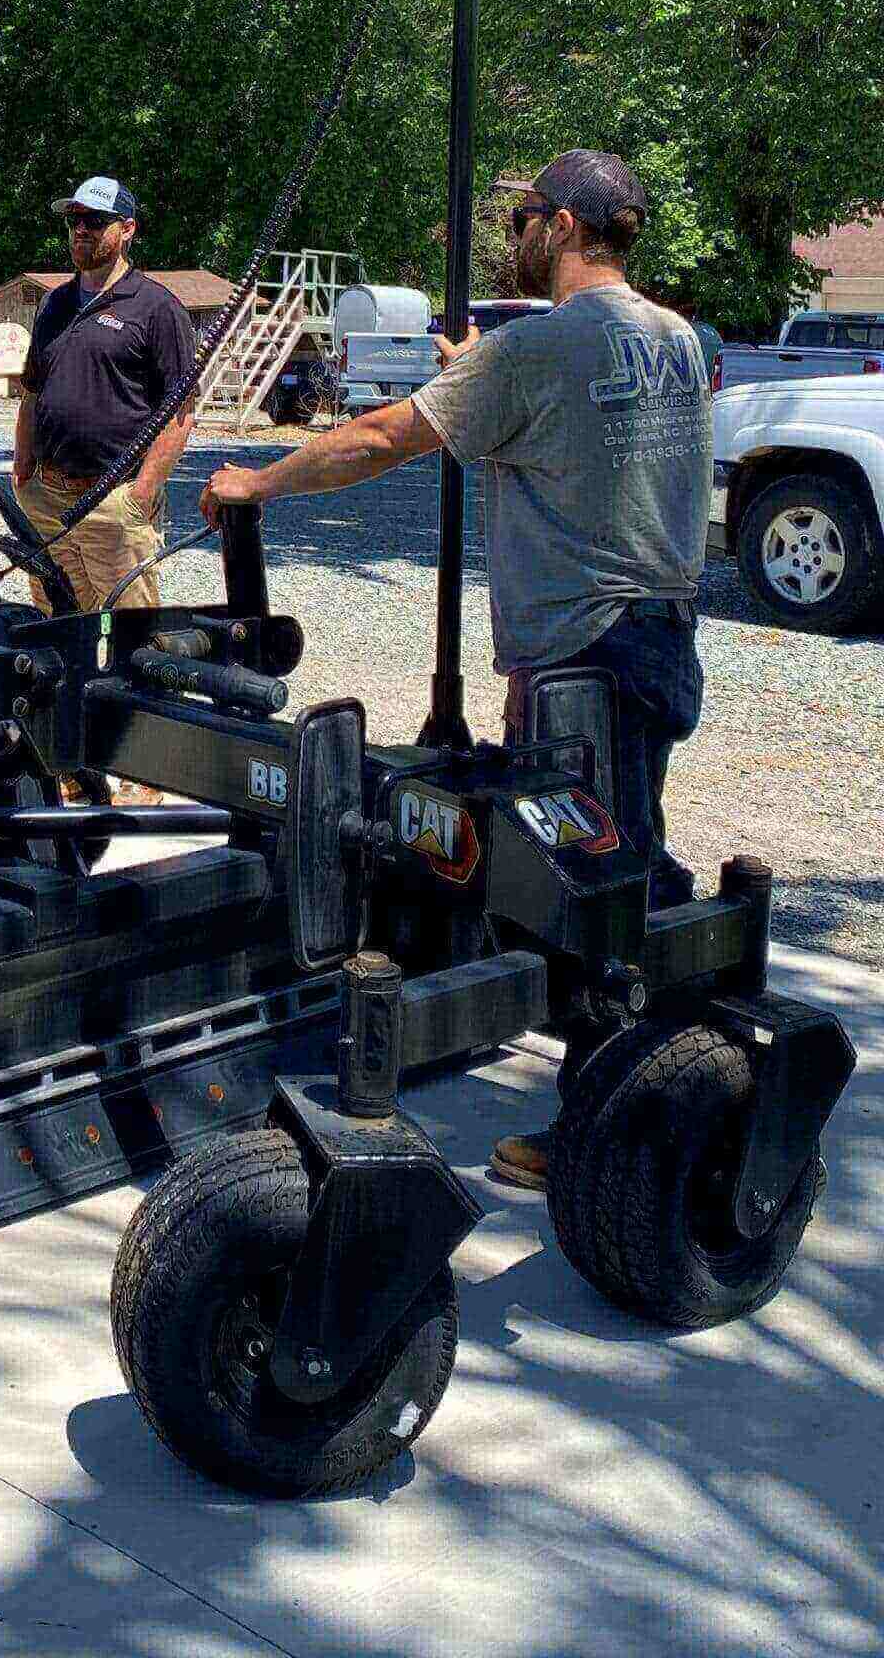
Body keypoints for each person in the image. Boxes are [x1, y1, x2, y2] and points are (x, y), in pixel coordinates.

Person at [200, 150, 712, 1191]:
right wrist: (475, 369)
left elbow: (382, 437)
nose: (515, 232)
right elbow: (576, 436)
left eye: (525, 216)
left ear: (564, 225)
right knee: (634, 856)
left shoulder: (537, 346)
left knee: (592, 890)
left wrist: (262, 479)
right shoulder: (674, 337)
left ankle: (607, 1132)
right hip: (656, 638)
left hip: (584, 656)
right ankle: (662, 1071)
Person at [13, 176, 196, 616]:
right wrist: (23, 470)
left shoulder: (156, 308)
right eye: (75, 220)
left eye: (94, 221)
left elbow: (181, 412)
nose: (81, 230)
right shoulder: (55, 304)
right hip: (47, 498)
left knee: (128, 635)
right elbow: (33, 390)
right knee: (55, 624)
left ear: (127, 229)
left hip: (113, 502)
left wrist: (142, 494)